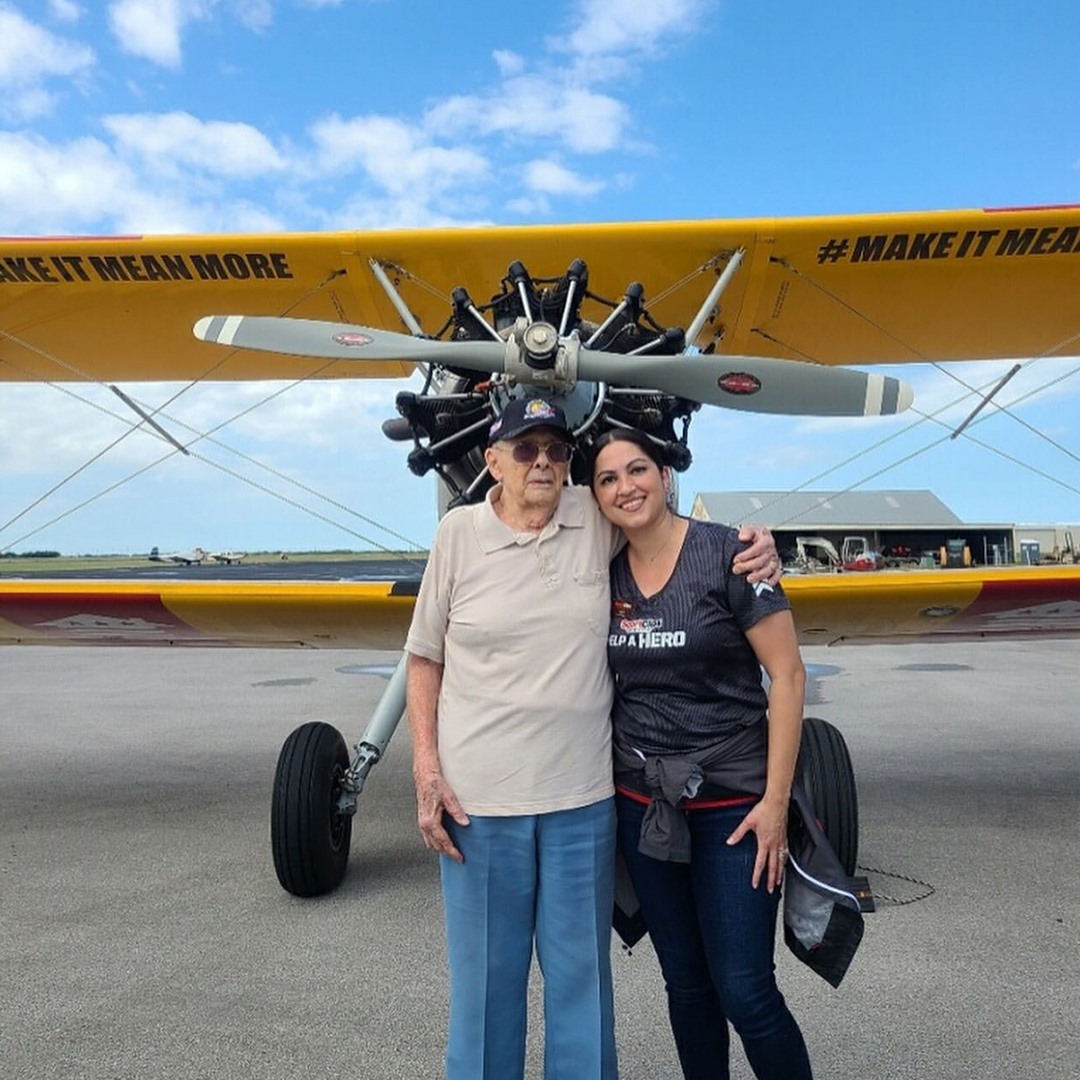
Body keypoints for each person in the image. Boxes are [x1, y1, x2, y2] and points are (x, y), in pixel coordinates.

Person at [404, 396, 780, 1080]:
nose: (543, 462)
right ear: (493, 462)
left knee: (582, 988)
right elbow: (424, 657)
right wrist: (425, 771)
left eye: (557, 450)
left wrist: (751, 544)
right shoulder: (457, 534)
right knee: (485, 990)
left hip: (581, 803)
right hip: (478, 803)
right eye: (525, 449)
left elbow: (661, 526)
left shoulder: (593, 516)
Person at [589, 427, 813, 1080]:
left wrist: (776, 804)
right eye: (607, 479)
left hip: (735, 807)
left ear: (665, 476)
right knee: (686, 985)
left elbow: (788, 677)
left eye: (637, 470)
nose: (626, 487)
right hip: (645, 805)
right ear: (596, 498)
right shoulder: (601, 571)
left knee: (745, 990)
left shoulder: (731, 554)